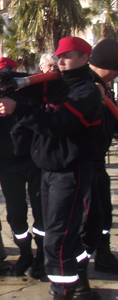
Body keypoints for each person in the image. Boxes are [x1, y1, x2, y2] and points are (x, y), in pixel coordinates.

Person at [0, 37, 102, 299]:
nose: (60, 61)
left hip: (71, 171)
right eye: (59, 56)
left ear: (85, 58)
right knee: (56, 233)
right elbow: (23, 83)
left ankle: (63, 290)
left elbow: (57, 123)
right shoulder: (56, 84)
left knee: (58, 239)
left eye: (68, 56)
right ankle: (72, 285)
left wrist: (19, 110)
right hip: (50, 171)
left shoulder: (86, 90)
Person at [0, 57, 45, 278]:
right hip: (8, 163)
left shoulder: (29, 92)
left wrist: (7, 77)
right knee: (15, 215)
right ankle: (25, 253)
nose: (2, 80)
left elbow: (25, 79)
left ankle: (41, 254)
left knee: (41, 213)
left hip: (35, 162)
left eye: (6, 73)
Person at [82, 38, 118, 276]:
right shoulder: (84, 85)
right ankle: (79, 274)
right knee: (86, 222)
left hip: (97, 165)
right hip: (81, 166)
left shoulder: (103, 88)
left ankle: (103, 253)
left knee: (104, 214)